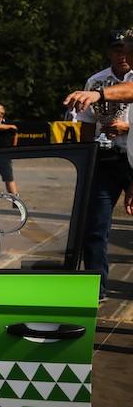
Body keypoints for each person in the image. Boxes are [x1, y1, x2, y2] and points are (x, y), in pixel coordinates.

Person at [66, 30, 133, 301]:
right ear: (108, 53)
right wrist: (87, 159)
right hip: (105, 158)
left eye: (127, 49)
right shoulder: (95, 80)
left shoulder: (112, 85)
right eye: (117, 49)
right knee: (95, 225)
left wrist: (125, 126)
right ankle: (97, 289)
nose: (123, 54)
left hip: (132, 157)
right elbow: (86, 124)